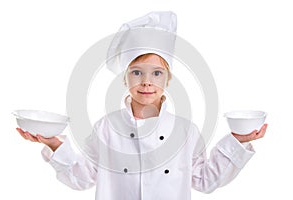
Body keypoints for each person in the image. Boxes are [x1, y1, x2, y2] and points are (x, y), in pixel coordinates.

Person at [16, 11, 268, 200]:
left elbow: (204, 180)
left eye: (157, 73)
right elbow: (83, 178)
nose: (146, 82)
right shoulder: (107, 127)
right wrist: (54, 145)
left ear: (168, 78)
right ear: (125, 77)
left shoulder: (185, 131)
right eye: (137, 73)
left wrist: (238, 140)